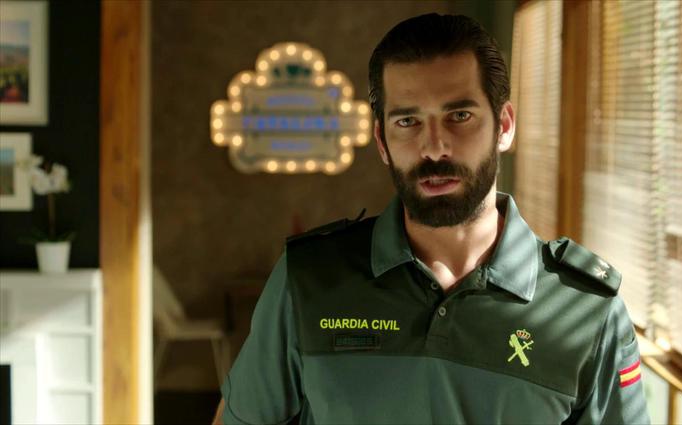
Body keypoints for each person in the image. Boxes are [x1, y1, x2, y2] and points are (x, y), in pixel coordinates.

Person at [213, 13, 650, 424]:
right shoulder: (307, 280)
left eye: (459, 116)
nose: (435, 147)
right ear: (382, 141)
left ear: (504, 125)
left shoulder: (588, 311)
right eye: (408, 121)